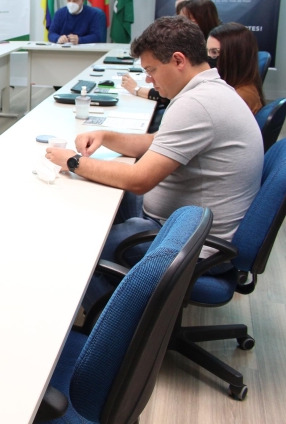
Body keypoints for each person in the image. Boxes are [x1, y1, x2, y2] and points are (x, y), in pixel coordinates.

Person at [45, 17, 262, 273]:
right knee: (92, 193)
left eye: (152, 70)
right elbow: (154, 142)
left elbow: (139, 180)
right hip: (177, 221)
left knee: (77, 250)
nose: (148, 81)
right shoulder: (209, 90)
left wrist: (73, 161)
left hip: (188, 244)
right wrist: (106, 135)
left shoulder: (197, 104)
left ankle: (114, 310)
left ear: (178, 60)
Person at [207, 23, 264, 114]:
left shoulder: (239, 98)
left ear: (234, 56)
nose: (208, 57)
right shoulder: (232, 86)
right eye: (207, 51)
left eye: (214, 52)